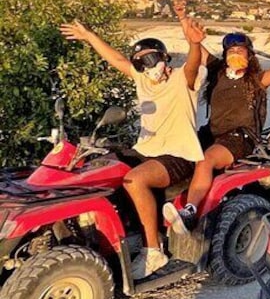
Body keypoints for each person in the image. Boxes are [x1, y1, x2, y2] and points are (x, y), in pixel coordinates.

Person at [60, 18, 206, 279]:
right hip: (146, 150)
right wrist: (89, 35)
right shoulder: (143, 81)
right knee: (98, 165)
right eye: (140, 62)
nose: (145, 66)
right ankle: (114, 234)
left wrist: (194, 44)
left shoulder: (183, 80)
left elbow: (194, 65)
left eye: (150, 59)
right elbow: (117, 60)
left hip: (179, 154)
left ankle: (153, 251)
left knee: (134, 180)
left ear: (164, 58)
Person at [164, 11, 270, 235]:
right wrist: (183, 18)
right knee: (179, 149)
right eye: (230, 51)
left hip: (241, 137)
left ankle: (190, 212)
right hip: (212, 132)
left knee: (206, 160)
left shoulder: (256, 79)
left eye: (239, 50)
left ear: (249, 55)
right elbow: (197, 46)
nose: (234, 53)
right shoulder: (217, 71)